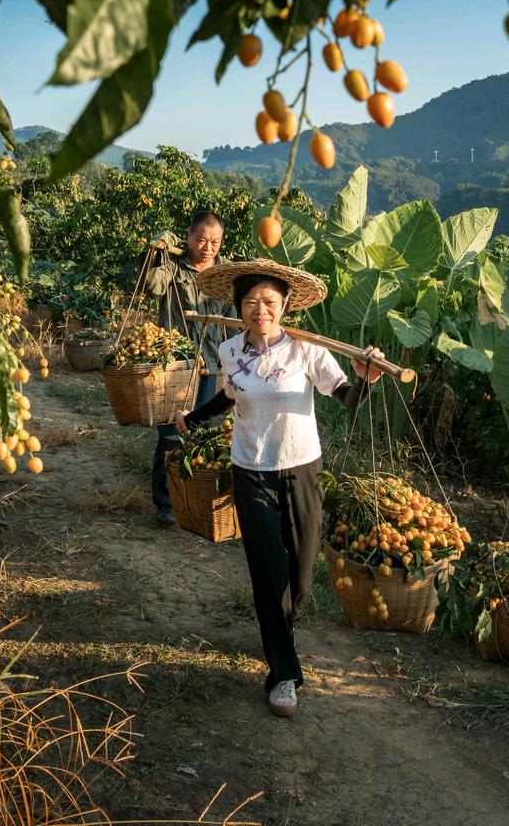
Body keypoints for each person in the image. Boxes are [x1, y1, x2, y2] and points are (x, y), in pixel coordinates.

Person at [176, 258, 386, 718]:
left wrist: (366, 380)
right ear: (239, 306)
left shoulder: (307, 350)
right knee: (268, 571)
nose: (260, 310)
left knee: (300, 576)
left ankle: (278, 632)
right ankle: (284, 674)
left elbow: (346, 396)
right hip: (250, 468)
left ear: (285, 305)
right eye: (251, 302)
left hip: (301, 468)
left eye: (269, 301)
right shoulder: (230, 350)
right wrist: (192, 418)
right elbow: (229, 396)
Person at [141, 210, 235, 527]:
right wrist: (156, 252)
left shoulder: (224, 276)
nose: (207, 247)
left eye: (215, 242)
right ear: (189, 236)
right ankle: (166, 502)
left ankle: (194, 497)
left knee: (201, 433)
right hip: (176, 365)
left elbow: (235, 325)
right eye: (201, 240)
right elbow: (152, 286)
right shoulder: (173, 266)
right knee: (171, 433)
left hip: (209, 365)